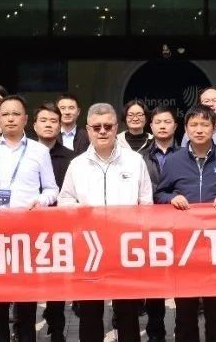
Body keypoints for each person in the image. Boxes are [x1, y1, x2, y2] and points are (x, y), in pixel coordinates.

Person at [59, 103, 154, 342]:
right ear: (88, 129)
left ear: (116, 127)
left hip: (125, 248)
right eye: (97, 127)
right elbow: (65, 201)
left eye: (108, 126)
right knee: (89, 313)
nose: (102, 131)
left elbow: (146, 203)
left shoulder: (134, 161)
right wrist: (81, 212)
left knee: (127, 312)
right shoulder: (77, 164)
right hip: (89, 249)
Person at [155, 104, 216, 342]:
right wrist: (171, 198)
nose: (199, 130)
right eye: (194, 125)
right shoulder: (173, 161)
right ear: (186, 129)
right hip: (184, 249)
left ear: (214, 128)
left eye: (204, 125)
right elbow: (159, 195)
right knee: (185, 312)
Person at [0, 95, 59, 342]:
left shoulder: (39, 151)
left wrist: (41, 201)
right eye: (5, 114)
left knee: (26, 304)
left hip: (26, 235)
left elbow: (52, 189)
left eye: (16, 114)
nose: (10, 118)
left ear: (26, 119)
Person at [30, 102, 76, 342]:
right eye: (44, 120)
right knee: (26, 281)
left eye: (53, 121)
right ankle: (22, 326)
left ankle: (57, 328)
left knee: (57, 281)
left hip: (59, 228)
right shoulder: (24, 154)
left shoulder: (71, 158)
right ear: (34, 125)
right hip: (26, 227)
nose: (48, 125)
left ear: (60, 126)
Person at [145, 103, 181, 342]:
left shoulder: (187, 155)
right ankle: (155, 331)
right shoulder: (140, 158)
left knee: (181, 281)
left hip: (181, 225)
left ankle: (182, 329)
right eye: (158, 122)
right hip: (151, 227)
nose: (162, 126)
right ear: (151, 126)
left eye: (167, 122)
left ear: (175, 126)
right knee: (153, 283)